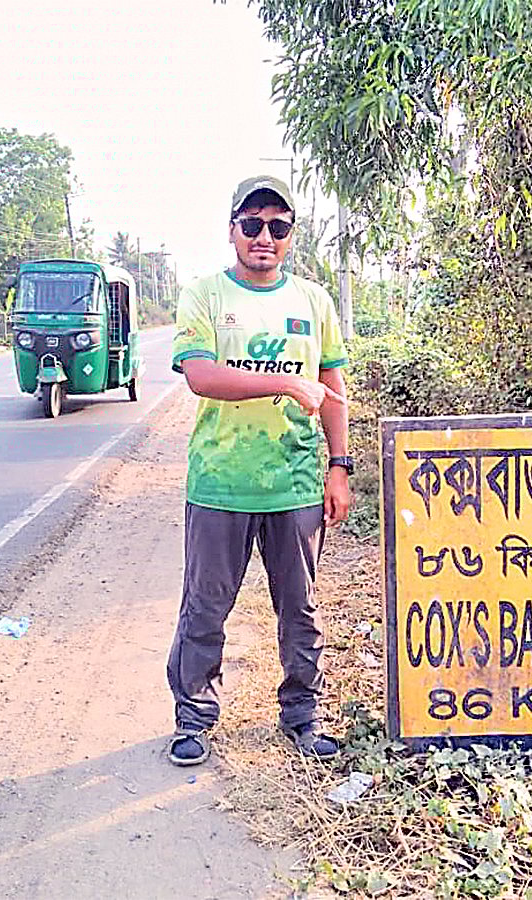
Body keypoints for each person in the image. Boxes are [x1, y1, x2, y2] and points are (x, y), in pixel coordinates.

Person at [166, 175, 353, 767]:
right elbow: (201, 375)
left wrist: (339, 467)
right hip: (220, 482)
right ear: (232, 232)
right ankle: (193, 718)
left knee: (300, 607)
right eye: (252, 225)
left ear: (291, 236)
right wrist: (284, 382)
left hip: (294, 483)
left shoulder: (314, 302)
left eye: (278, 226)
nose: (264, 236)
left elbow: (333, 388)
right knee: (205, 605)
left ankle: (304, 714)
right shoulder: (204, 296)